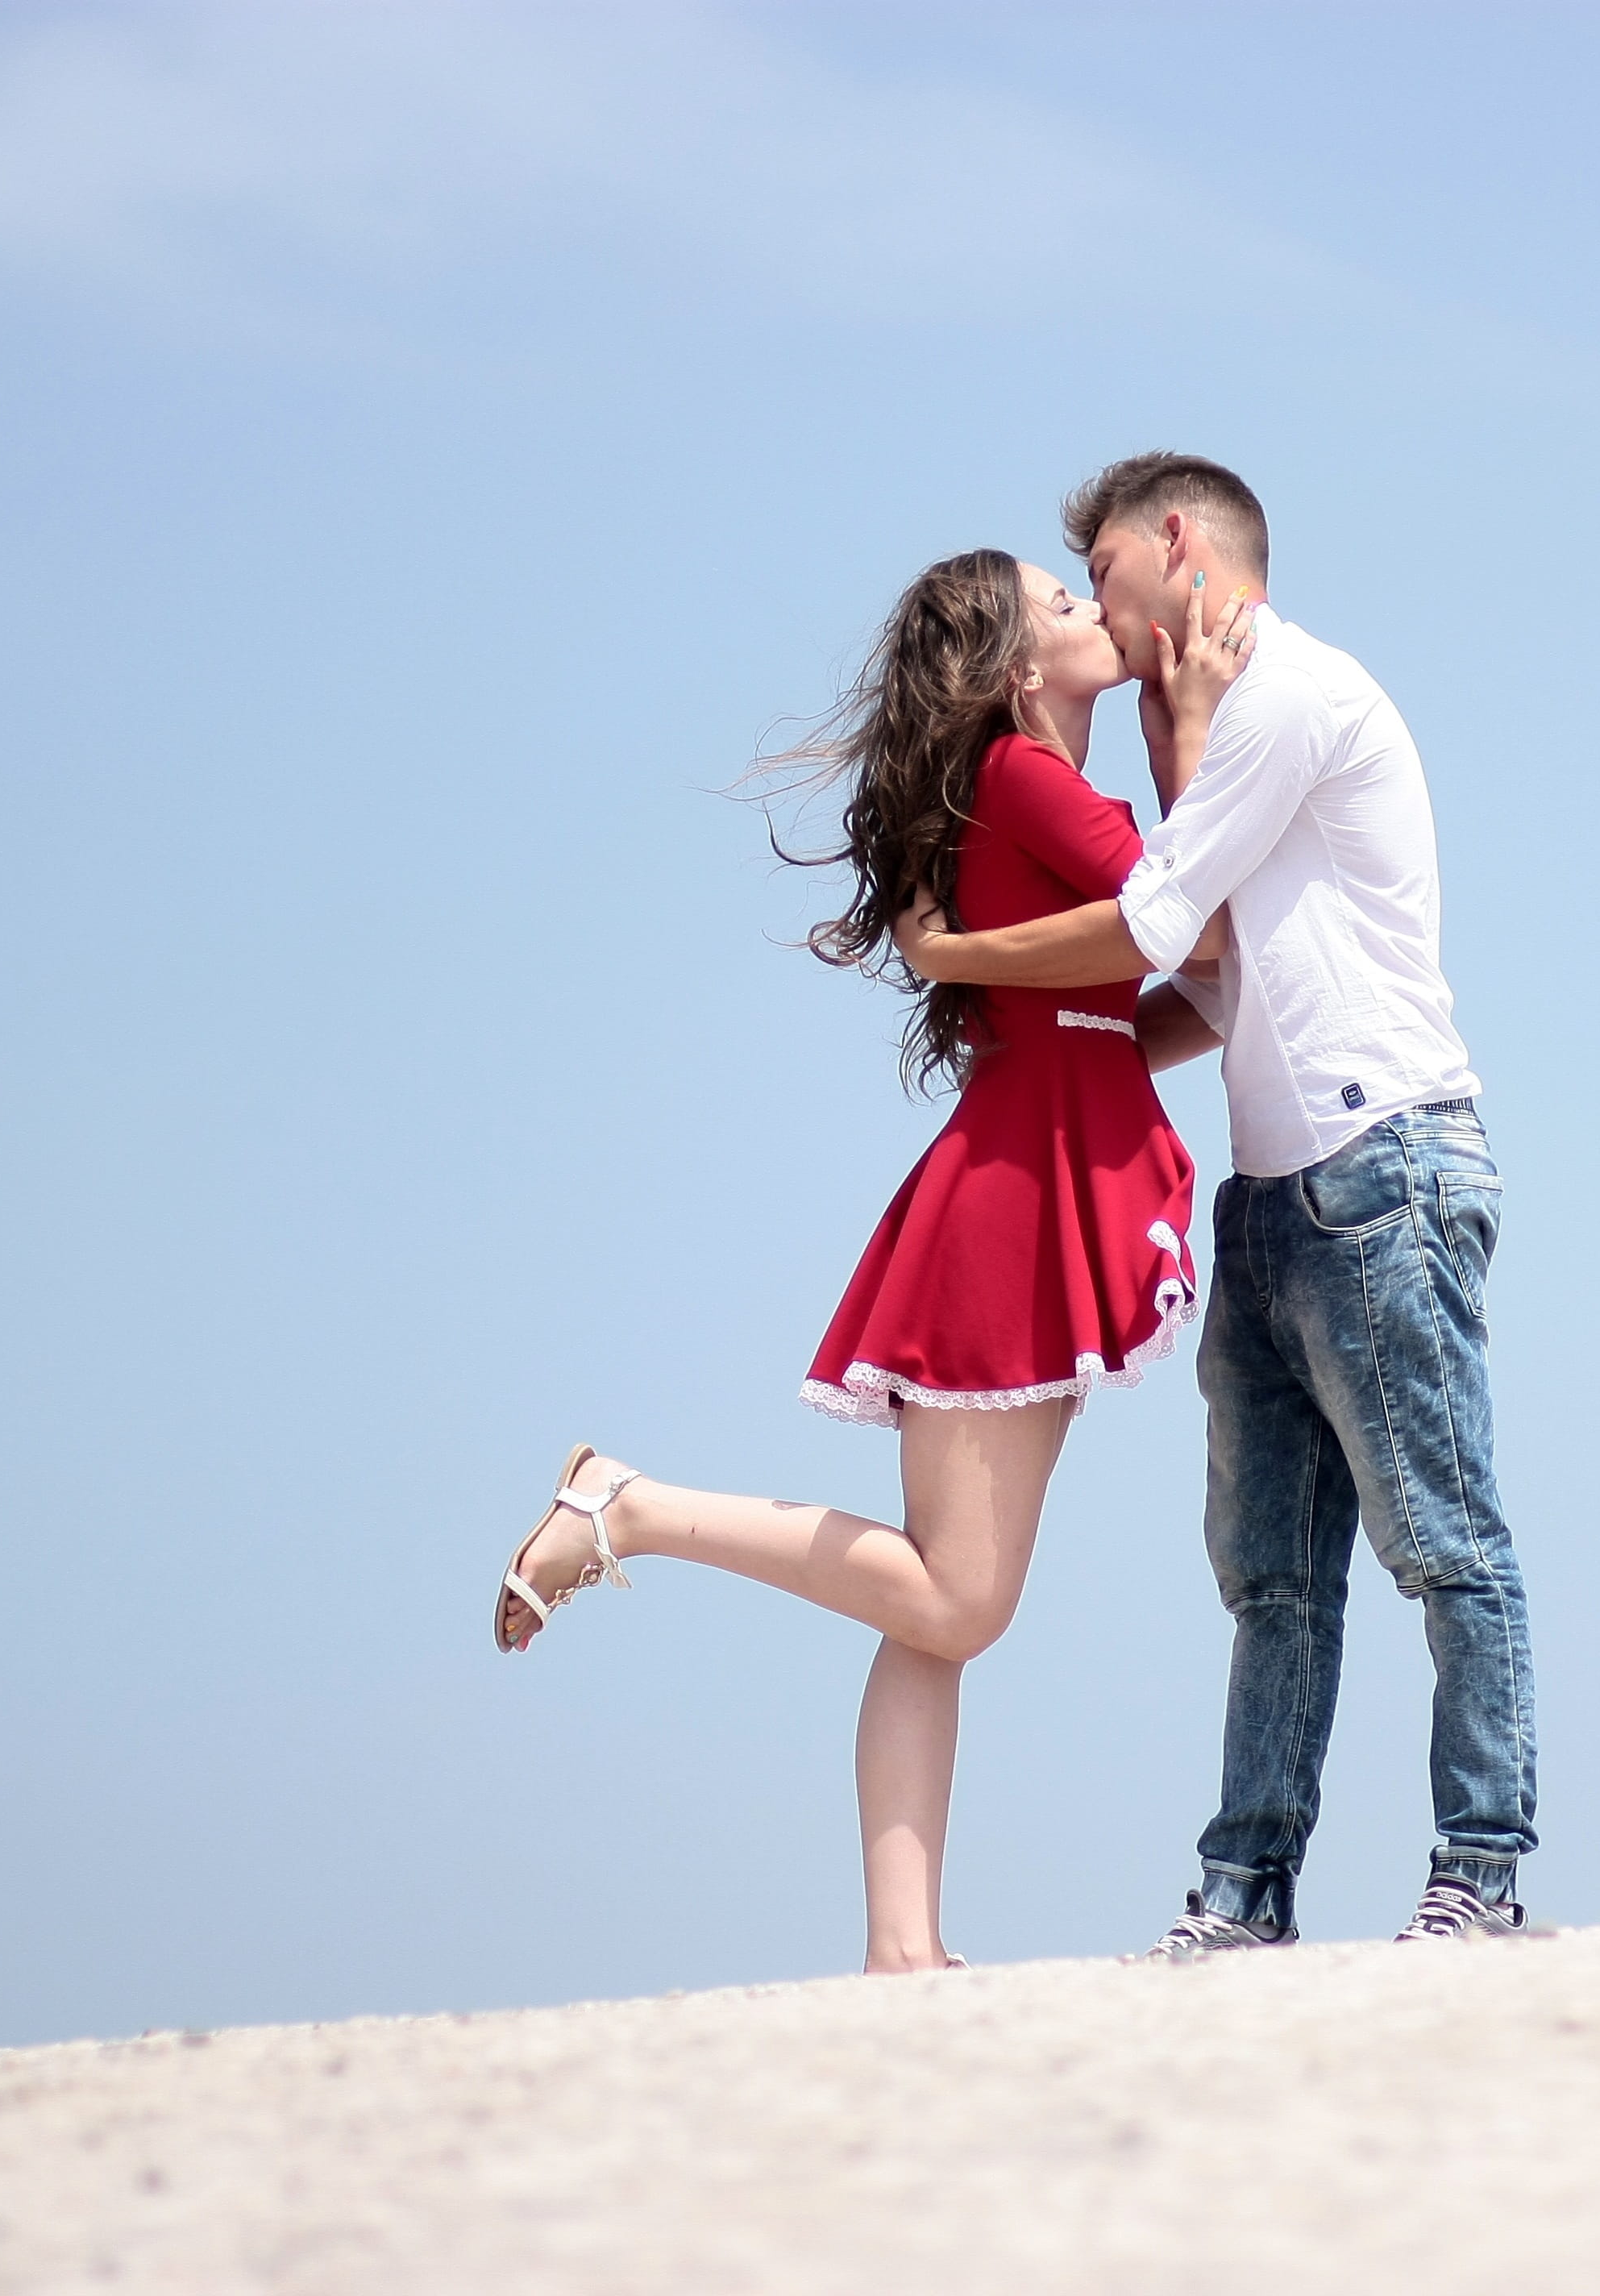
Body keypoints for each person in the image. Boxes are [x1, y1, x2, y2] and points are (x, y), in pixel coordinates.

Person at [488, 546, 1252, 1974]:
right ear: (1018, 669)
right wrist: (1194, 730)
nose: (1093, 610)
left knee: (936, 1599)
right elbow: (1193, 916)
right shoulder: (1028, 779)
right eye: (1064, 603)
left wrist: (1225, 993)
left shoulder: (1032, 791)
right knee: (959, 1597)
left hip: (1038, 1179)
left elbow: (1139, 1001)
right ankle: (633, 1509)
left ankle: (903, 1948)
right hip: (1020, 1204)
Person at [900, 453, 1537, 1953]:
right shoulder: (1220, 726)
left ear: (1176, 541)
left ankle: (1482, 1868)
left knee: (1445, 1543)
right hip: (1275, 1194)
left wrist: (955, 961)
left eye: (1102, 577)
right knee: (1274, 1582)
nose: (1099, 611)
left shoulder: (1290, 697)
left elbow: (1156, 919)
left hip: (1382, 1165)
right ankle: (1246, 1896)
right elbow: (1210, 982)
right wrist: (1068, 1055)